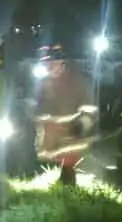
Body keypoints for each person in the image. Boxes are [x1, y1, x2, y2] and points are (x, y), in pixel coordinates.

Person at [32, 54, 97, 185]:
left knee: (68, 155)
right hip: (52, 126)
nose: (50, 67)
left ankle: (68, 180)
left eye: (53, 63)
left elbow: (88, 104)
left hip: (71, 125)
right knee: (51, 152)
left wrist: (82, 121)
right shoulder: (44, 83)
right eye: (48, 64)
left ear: (62, 63)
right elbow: (39, 103)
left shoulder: (76, 81)